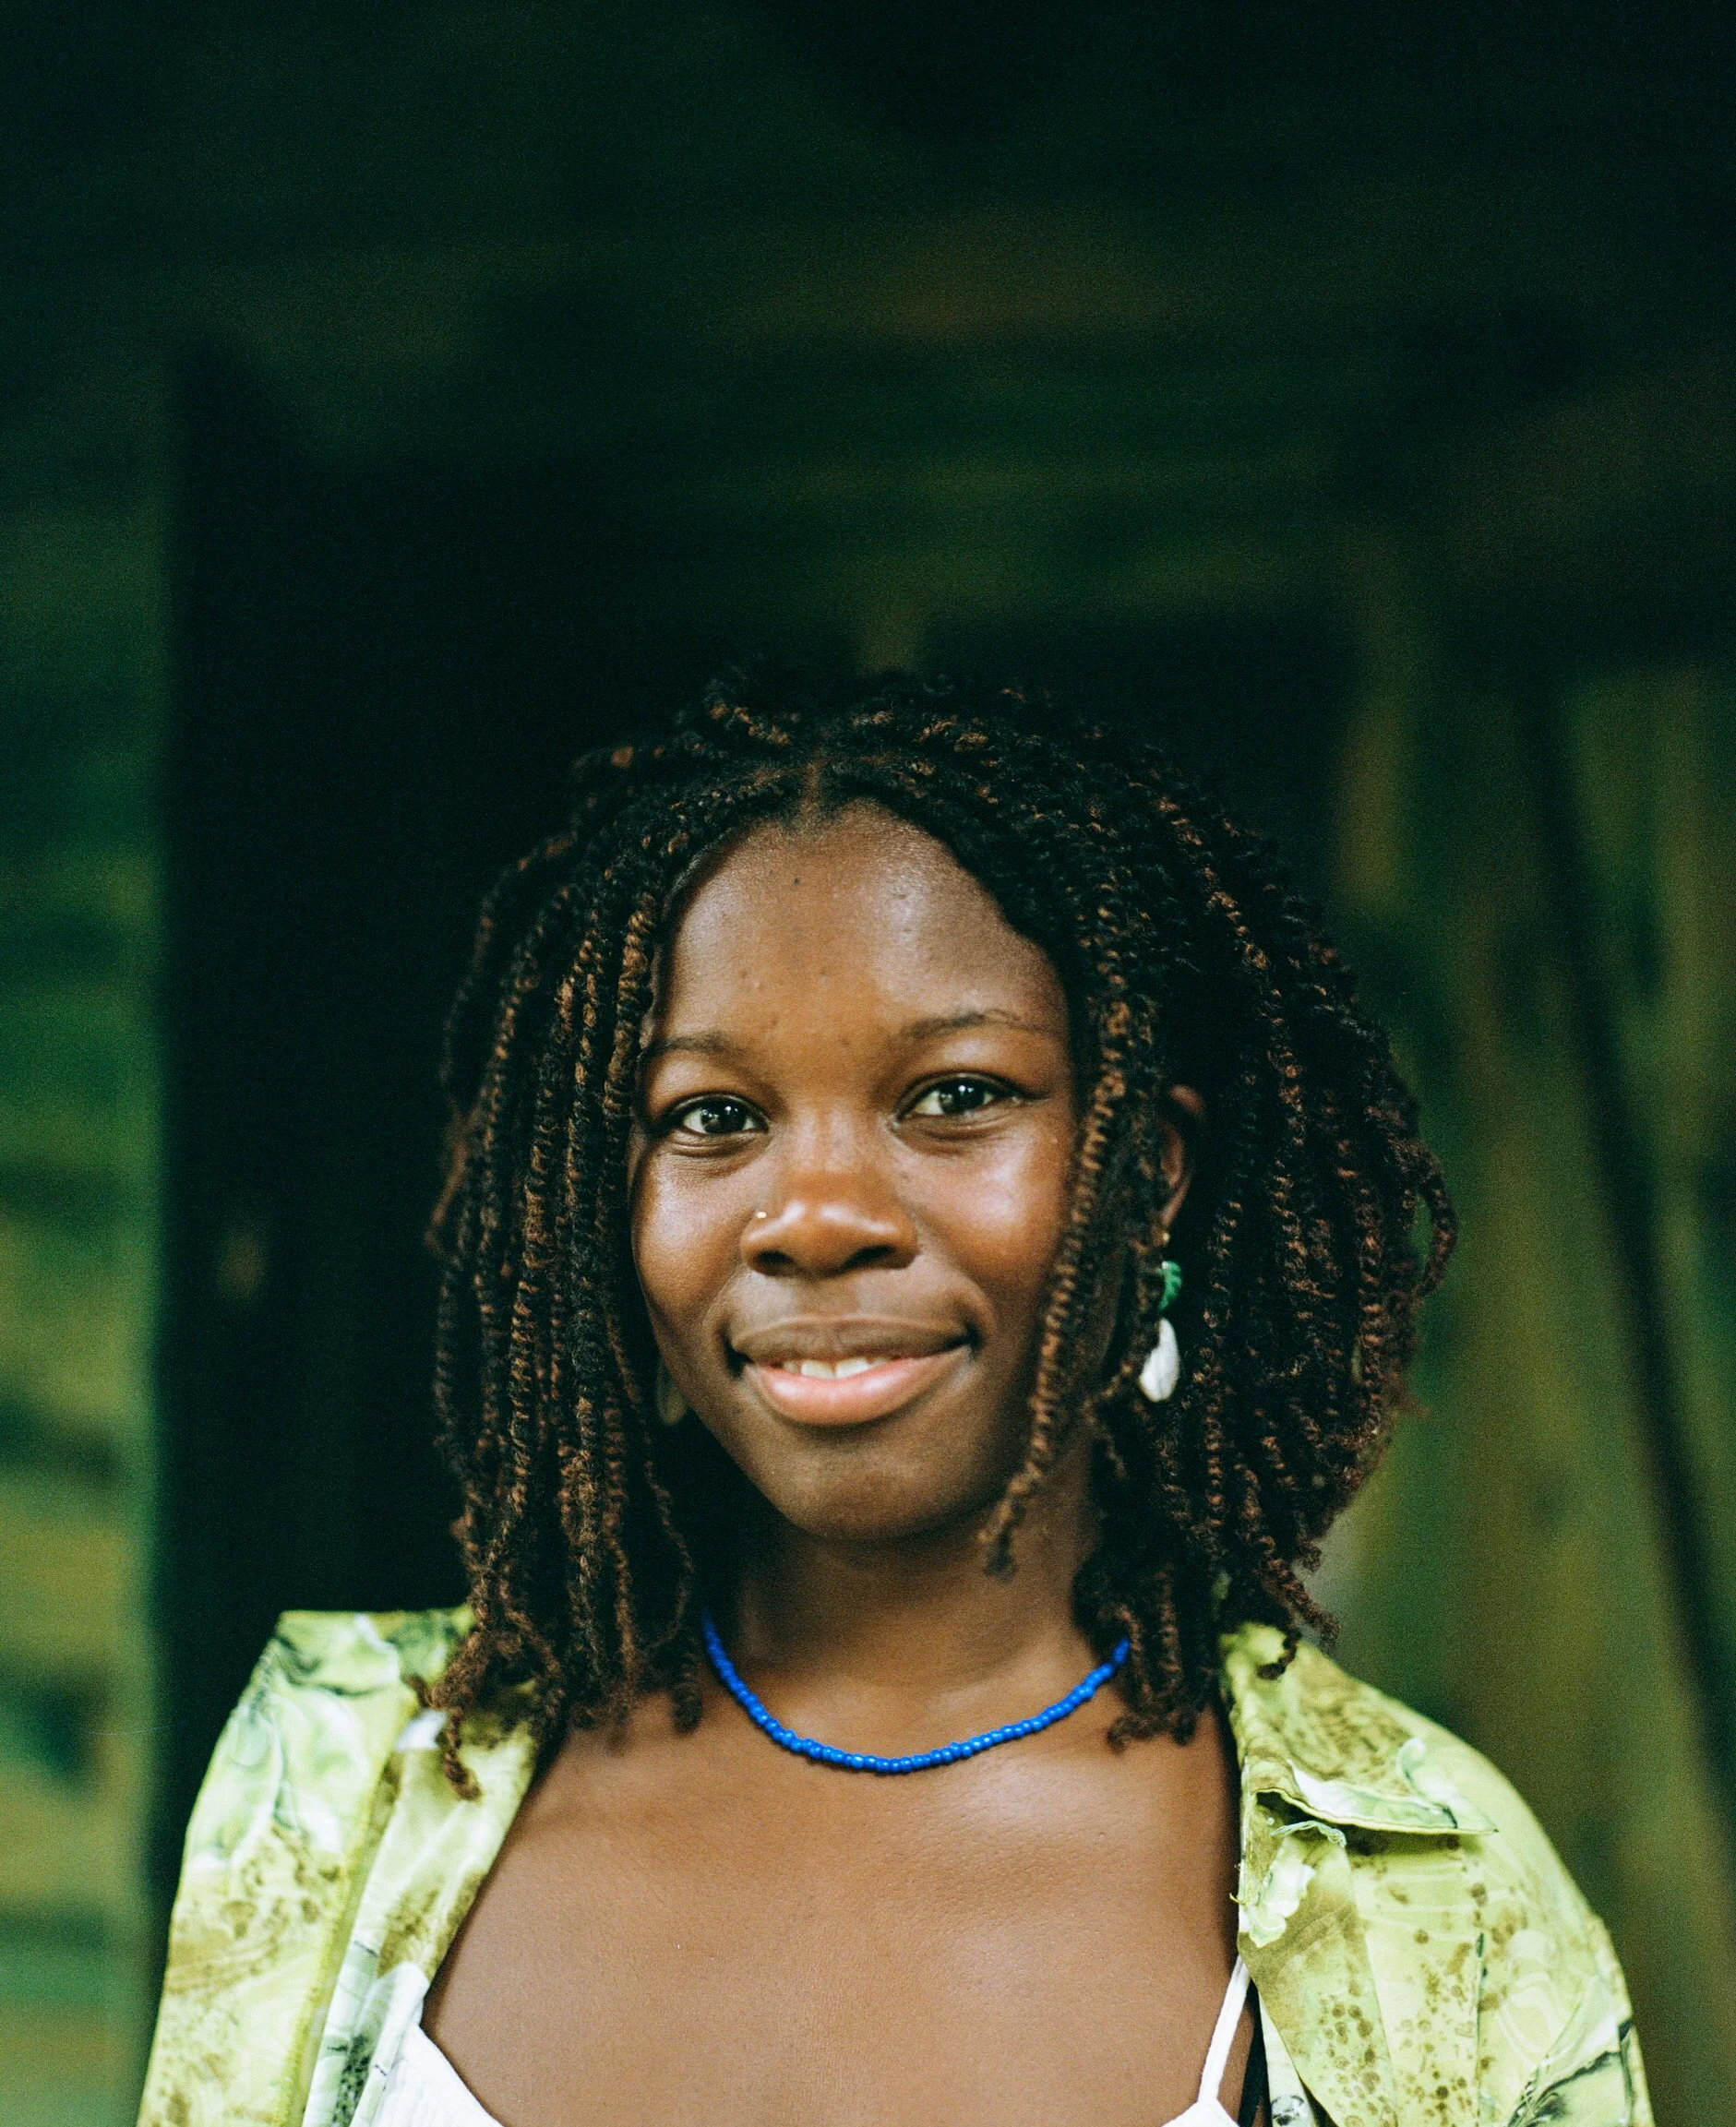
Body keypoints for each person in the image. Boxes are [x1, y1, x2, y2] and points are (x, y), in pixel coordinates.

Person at [138, 675, 1649, 2127]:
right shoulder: (335, 1797)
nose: (816, 1214)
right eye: (712, 1117)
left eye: (955, 1097)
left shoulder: (1435, 1896)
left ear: (1152, 1173)